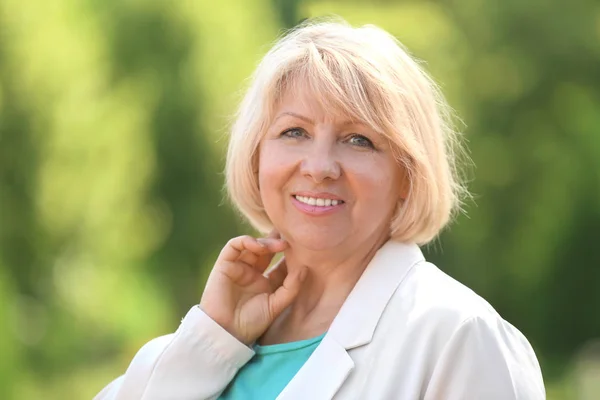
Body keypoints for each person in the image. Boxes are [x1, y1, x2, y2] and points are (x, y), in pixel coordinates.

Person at [95, 18, 545, 400]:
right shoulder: (175, 357)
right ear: (256, 156)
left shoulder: (460, 337)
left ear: (407, 175)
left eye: (358, 140)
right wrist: (210, 341)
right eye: (294, 132)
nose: (320, 167)